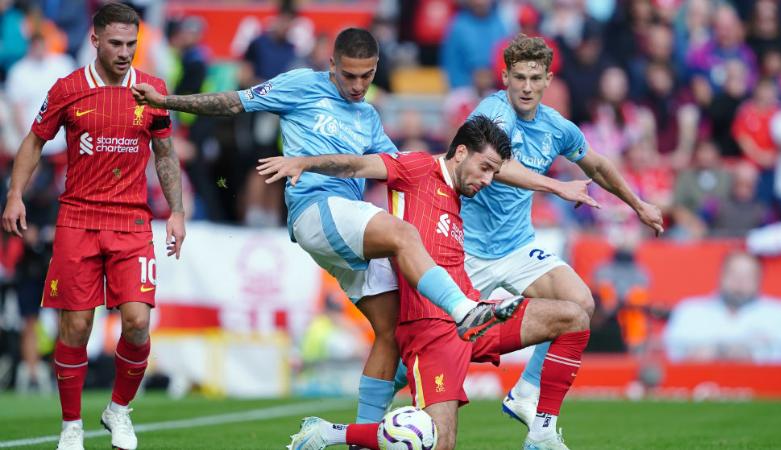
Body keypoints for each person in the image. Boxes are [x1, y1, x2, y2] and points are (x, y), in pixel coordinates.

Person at [132, 28, 542, 429]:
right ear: (332, 65)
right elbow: (233, 103)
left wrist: (533, 181)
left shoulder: (368, 117)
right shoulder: (301, 85)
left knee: (390, 331)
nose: (359, 85)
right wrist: (167, 101)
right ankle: (465, 312)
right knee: (403, 236)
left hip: (345, 222)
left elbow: (405, 169)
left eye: (367, 75)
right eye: (349, 75)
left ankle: (361, 436)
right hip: (316, 209)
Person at [262, 115, 591, 450]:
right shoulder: (416, 168)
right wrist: (304, 162)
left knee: (573, 317)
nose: (489, 179)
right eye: (486, 168)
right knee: (440, 443)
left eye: (494, 172)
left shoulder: (458, 196)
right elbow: (355, 165)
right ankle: (330, 433)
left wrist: (556, 186)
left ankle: (541, 433)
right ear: (461, 152)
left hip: (475, 316)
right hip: (431, 330)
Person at [459, 34, 663, 445]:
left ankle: (526, 393)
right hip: (467, 249)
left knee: (579, 302)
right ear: (505, 77)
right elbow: (496, 165)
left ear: (549, 79)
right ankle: (371, 417)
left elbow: (600, 165)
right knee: (432, 345)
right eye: (519, 77)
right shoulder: (493, 112)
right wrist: (559, 187)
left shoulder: (556, 127)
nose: (527, 87)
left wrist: (638, 204)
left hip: (517, 246)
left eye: (536, 77)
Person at [1, 4, 186, 450]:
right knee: (76, 328)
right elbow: (34, 141)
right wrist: (14, 194)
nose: (125, 53)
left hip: (131, 221)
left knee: (138, 323)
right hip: (78, 219)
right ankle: (71, 427)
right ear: (96, 40)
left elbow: (164, 154)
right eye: (116, 44)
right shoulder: (68, 89)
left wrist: (177, 211)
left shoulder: (153, 90)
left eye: (131, 44)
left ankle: (118, 410)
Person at [663, 251, 781, 364]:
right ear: (721, 275)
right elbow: (674, 353)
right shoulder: (689, 311)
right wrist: (708, 353)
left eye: (747, 276)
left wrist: (751, 355)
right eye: (733, 274)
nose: (739, 282)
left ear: (760, 279)